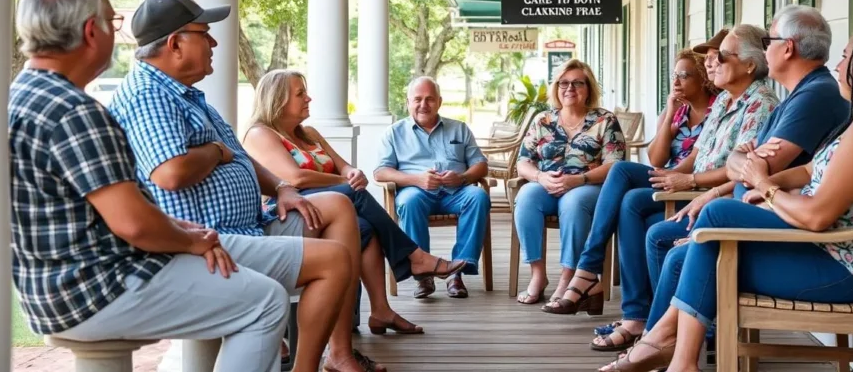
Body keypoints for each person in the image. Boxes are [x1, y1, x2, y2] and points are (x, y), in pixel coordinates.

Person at [9, 0, 351, 372]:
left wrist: (187, 230)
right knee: (265, 301)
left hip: (66, 282)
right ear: (90, 31)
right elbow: (134, 223)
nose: (116, 34)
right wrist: (193, 241)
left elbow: (118, 208)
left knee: (296, 268)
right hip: (100, 284)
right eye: (111, 21)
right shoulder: (73, 110)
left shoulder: (24, 95)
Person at [598, 24, 853, 372]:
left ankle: (668, 349)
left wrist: (764, 185)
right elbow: (808, 172)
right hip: (823, 251)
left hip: (839, 268)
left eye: (846, 57)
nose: (837, 65)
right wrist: (763, 182)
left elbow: (819, 216)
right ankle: (669, 349)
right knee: (691, 247)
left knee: (714, 219)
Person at [108, 0, 385, 372]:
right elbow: (170, 173)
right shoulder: (148, 95)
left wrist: (283, 189)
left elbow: (239, 156)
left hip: (246, 228)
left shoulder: (187, 96)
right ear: (175, 43)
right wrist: (215, 152)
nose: (214, 42)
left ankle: (337, 353)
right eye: (204, 33)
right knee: (333, 261)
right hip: (206, 240)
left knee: (338, 203)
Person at [243, 69, 467, 334]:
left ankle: (381, 311)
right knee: (353, 194)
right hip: (291, 210)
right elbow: (295, 178)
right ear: (277, 99)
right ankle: (415, 256)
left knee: (365, 227)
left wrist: (352, 173)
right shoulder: (261, 134)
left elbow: (343, 166)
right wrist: (343, 183)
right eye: (300, 93)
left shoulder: (309, 134)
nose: (309, 98)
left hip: (332, 206)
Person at [569, 51, 716, 349]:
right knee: (629, 197)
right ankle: (633, 311)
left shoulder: (717, 111)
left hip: (690, 187)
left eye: (683, 75)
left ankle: (592, 271)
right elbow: (656, 156)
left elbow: (696, 165)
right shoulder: (679, 111)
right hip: (666, 181)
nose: (675, 81)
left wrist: (673, 176)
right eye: (674, 75)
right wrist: (668, 112)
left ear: (704, 80)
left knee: (624, 176)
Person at [511, 59, 625, 314]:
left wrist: (579, 179)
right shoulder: (543, 120)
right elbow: (523, 163)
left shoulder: (604, 120)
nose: (569, 88)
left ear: (589, 88)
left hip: (589, 185)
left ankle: (569, 278)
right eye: (564, 83)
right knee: (527, 197)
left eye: (577, 83)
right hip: (548, 184)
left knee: (573, 203)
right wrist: (541, 178)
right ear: (556, 87)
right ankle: (538, 275)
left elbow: (615, 165)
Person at [374, 77, 490, 300]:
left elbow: (481, 165)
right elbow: (381, 172)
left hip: (455, 192)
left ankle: (457, 272)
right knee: (409, 201)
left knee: (478, 196)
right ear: (408, 102)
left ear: (439, 101)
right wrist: (417, 180)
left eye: (429, 99)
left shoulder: (459, 128)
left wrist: (463, 177)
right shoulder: (394, 133)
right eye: (417, 99)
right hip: (416, 191)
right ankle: (423, 273)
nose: (423, 104)